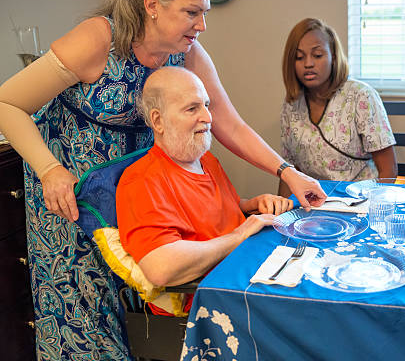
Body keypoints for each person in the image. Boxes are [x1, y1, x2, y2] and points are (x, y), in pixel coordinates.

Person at [0, 0, 323, 359]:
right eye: (192, 12)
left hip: (134, 187)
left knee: (139, 306)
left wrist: (287, 172)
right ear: (153, 4)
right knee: (85, 314)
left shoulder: (186, 52)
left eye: (204, 13)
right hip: (69, 192)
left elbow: (229, 124)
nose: (201, 25)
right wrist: (49, 169)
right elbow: (8, 103)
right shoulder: (98, 39)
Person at [117, 67, 293, 314]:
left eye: (206, 105)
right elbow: (161, 267)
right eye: (192, 109)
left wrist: (251, 204)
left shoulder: (205, 159)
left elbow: (213, 212)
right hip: (213, 301)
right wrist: (240, 235)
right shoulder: (141, 180)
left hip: (244, 271)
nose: (208, 118)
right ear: (158, 121)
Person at [278, 18, 398, 197]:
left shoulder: (361, 95)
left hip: (359, 203)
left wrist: (370, 209)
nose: (308, 64)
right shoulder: (292, 105)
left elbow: (389, 171)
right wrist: (281, 214)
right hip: (313, 207)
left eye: (317, 55)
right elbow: (290, 173)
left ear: (333, 57)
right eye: (299, 57)